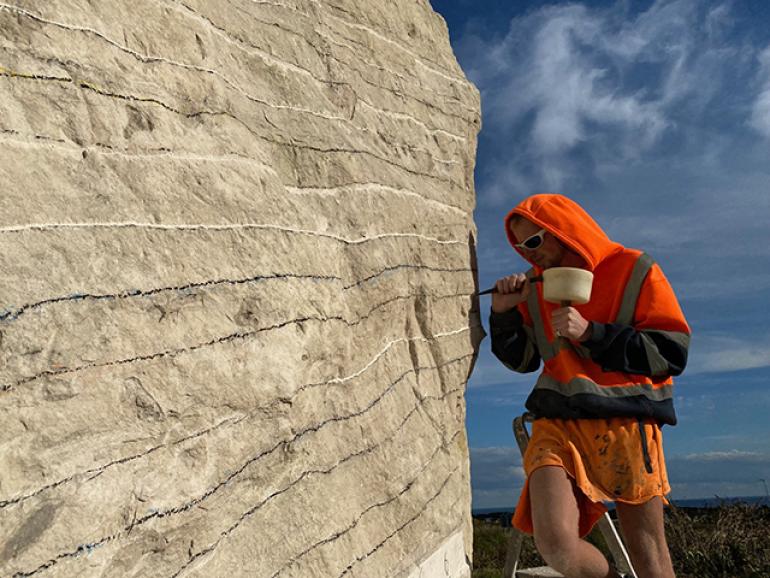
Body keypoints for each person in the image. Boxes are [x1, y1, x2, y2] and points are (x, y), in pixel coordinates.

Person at [489, 194, 690, 578]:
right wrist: (503, 314)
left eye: (533, 242)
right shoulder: (534, 286)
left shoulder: (634, 268)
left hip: (628, 423)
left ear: (561, 231)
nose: (528, 255)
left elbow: (672, 353)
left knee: (650, 557)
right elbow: (522, 361)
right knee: (555, 545)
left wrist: (592, 333)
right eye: (519, 247)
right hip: (557, 422)